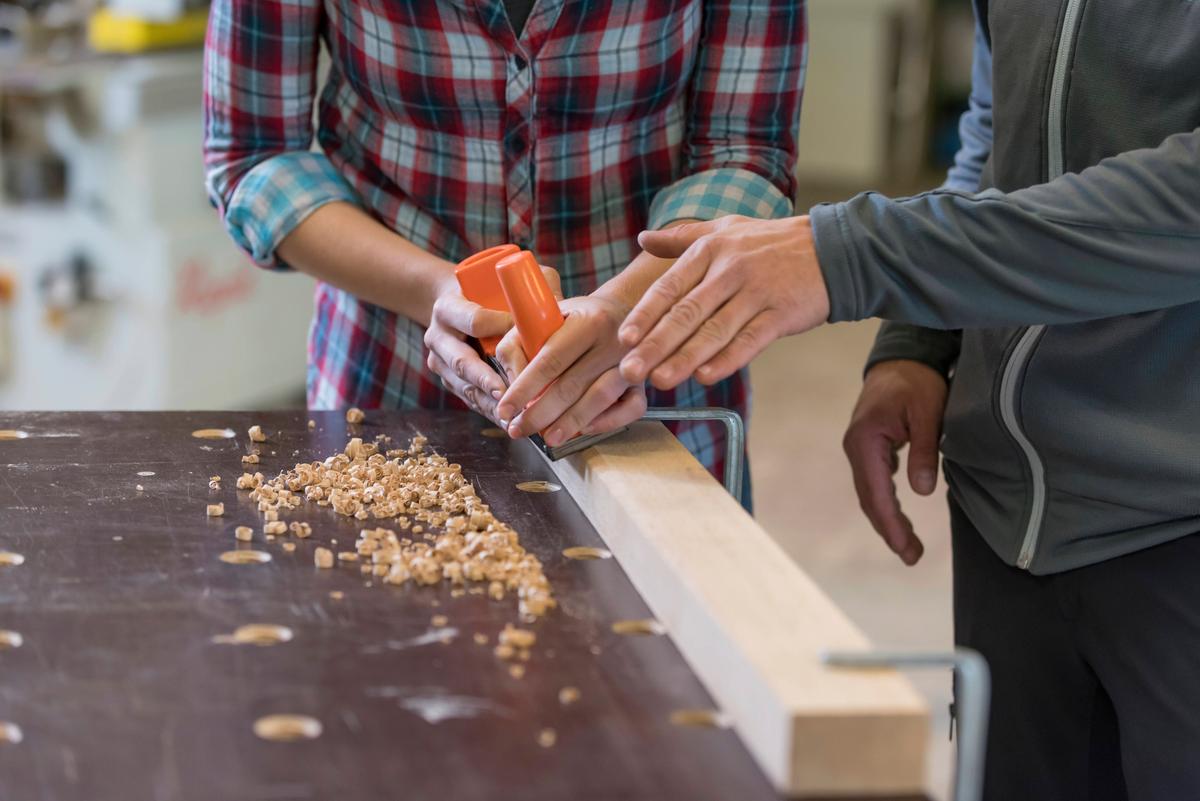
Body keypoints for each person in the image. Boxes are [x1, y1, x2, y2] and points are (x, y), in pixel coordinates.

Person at [595, 2, 1200, 799]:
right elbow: (998, 123)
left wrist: (847, 253)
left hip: (1175, 523)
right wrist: (921, 340)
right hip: (1006, 527)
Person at [202, 0, 806, 502]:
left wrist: (627, 306)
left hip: (657, 387)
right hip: (392, 384)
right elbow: (254, 157)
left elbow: (744, 151)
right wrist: (434, 291)